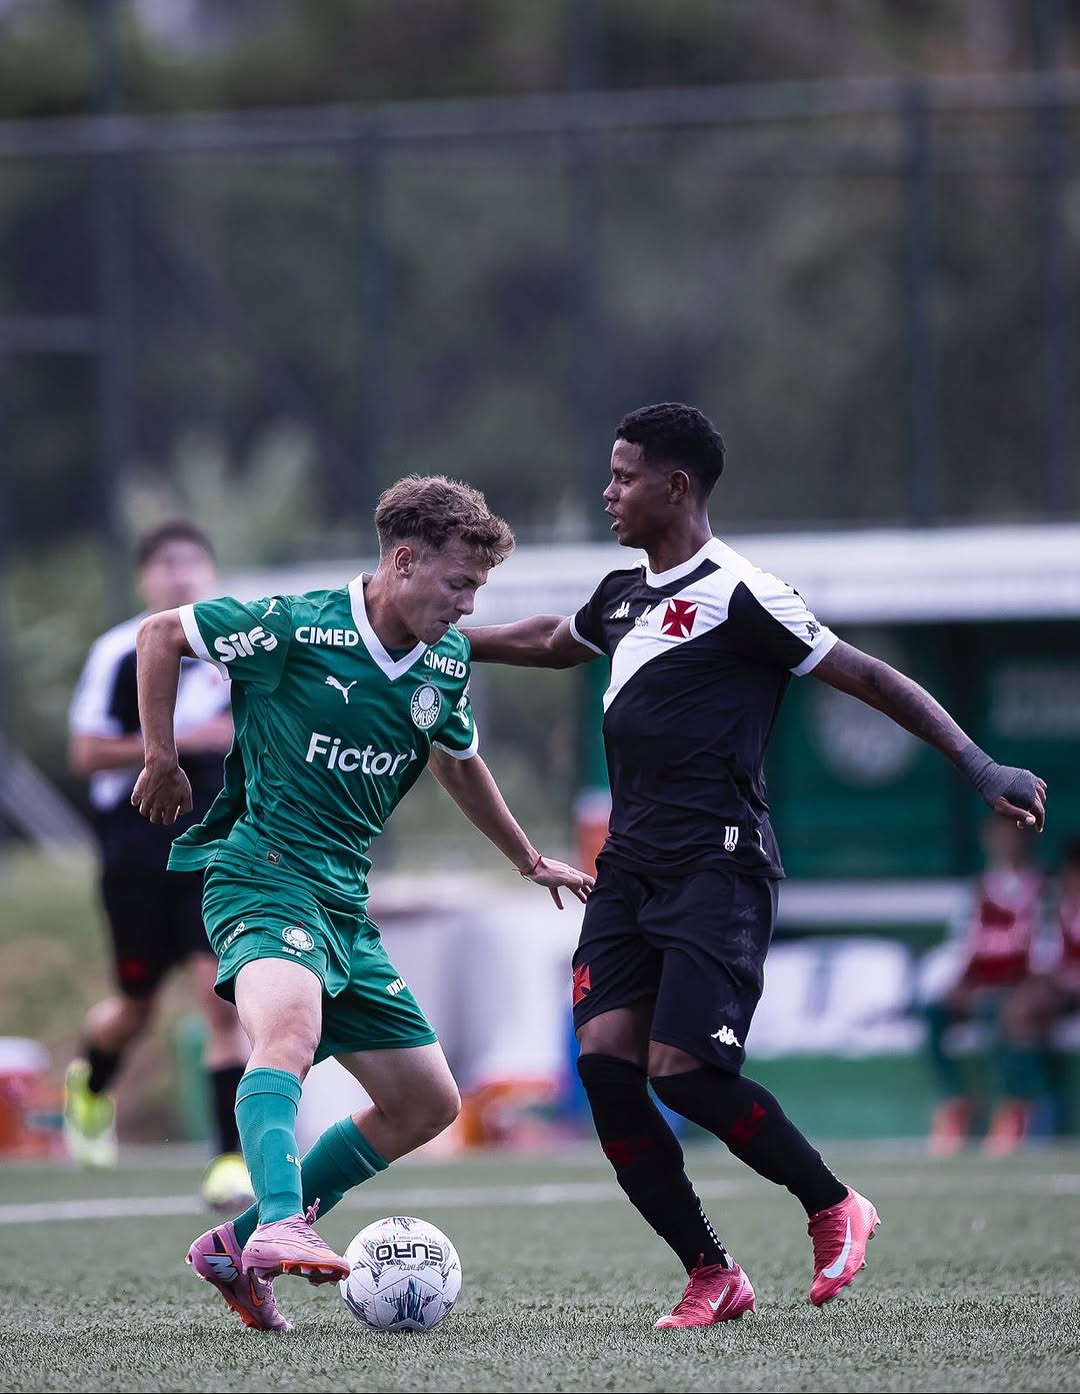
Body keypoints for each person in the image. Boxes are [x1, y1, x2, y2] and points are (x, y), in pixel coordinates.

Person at [465, 401, 1047, 1328]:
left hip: (718, 866)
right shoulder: (620, 594)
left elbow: (872, 678)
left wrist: (982, 768)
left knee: (683, 1073)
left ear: (675, 487)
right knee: (607, 1066)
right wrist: (438, 637)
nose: (608, 492)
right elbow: (548, 641)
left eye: (623, 476)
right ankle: (711, 1272)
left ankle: (833, 1203)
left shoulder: (745, 593)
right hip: (630, 868)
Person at [130, 474, 594, 1333]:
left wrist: (527, 858)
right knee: (288, 1033)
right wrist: (160, 757)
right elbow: (161, 634)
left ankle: (233, 1246)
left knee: (428, 1103)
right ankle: (279, 1222)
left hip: (343, 903)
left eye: (477, 590)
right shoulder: (296, 625)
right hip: (261, 873)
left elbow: (458, 762)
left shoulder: (444, 662)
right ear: (404, 560)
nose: (467, 605)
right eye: (458, 583)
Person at [65, 520, 253, 1211]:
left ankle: (228, 1160)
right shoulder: (120, 651)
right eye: (166, 563)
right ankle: (90, 1083)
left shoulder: (238, 650)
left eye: (192, 561)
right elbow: (86, 755)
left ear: (211, 572)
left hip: (214, 850)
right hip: (136, 853)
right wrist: (178, 741)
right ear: (145, 577)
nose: (180, 574)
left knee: (220, 999)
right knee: (134, 1008)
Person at [923, 818, 1045, 1157]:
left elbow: (1046, 949)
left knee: (1002, 1013)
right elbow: (963, 945)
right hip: (979, 986)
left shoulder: (1043, 889)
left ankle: (1014, 1107)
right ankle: (955, 1102)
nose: (1006, 841)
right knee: (933, 1012)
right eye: (999, 834)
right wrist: (960, 984)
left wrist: (1017, 987)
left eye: (1013, 834)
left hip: (1019, 988)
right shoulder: (977, 890)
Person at [997, 837, 1080, 1142]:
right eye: (1070, 875)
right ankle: (1038, 1099)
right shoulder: (1056, 908)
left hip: (1070, 987)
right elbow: (1047, 956)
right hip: (1063, 988)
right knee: (1017, 1013)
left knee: (1023, 1008)